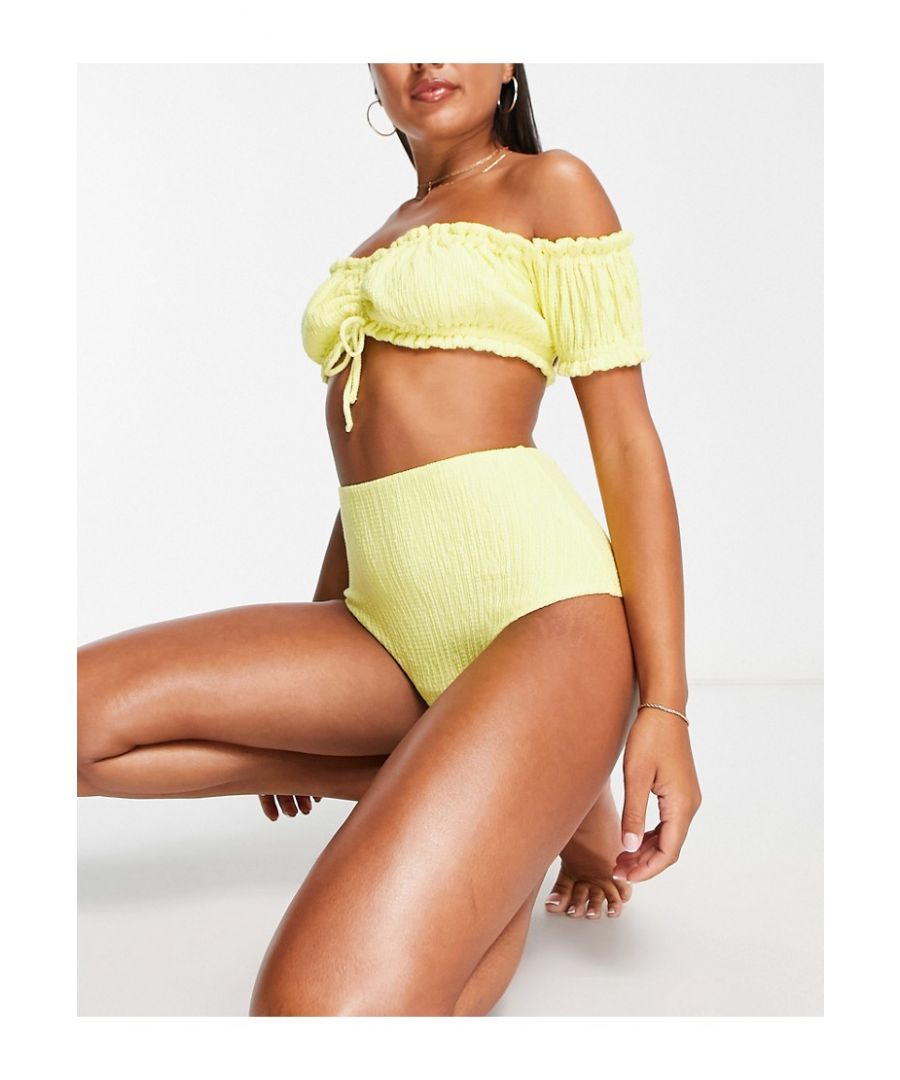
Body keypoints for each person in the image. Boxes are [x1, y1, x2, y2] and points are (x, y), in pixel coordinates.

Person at [78, 62, 702, 1017]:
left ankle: (532, 787)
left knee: (310, 1013)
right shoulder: (383, 235)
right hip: (379, 620)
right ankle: (532, 799)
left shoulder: (550, 185)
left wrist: (666, 703)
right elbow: (373, 465)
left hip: (544, 622)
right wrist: (303, 675)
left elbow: (625, 443)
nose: (426, 56)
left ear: (508, 61)